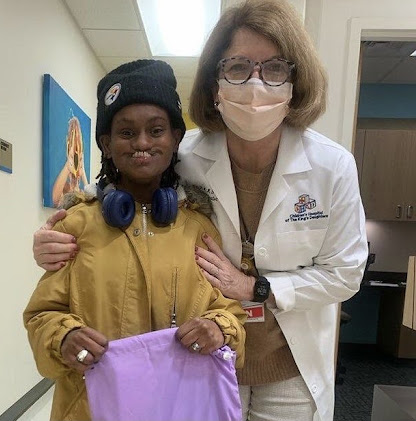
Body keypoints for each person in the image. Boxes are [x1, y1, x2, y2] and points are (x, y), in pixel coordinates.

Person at [32, 1, 368, 420]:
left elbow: (346, 272)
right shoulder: (183, 153)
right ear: (214, 83)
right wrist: (57, 233)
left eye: (276, 68)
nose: (256, 85)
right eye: (239, 67)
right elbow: (122, 194)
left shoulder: (331, 166)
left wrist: (257, 289)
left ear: (296, 81)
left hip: (286, 360)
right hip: (194, 361)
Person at [24, 59, 246, 421]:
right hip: (91, 406)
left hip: (180, 405)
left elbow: (231, 312)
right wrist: (63, 338)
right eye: (126, 133)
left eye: (156, 130)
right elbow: (41, 314)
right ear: (106, 144)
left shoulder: (198, 228)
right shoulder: (76, 225)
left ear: (175, 139)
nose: (142, 142)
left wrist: (219, 328)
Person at [52, 116, 89, 207]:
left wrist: (82, 170)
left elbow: (91, 201)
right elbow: (56, 200)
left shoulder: (81, 192)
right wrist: (68, 165)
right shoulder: (65, 187)